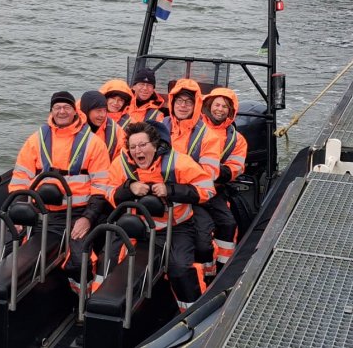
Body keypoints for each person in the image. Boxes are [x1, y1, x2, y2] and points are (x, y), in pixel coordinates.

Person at [103, 121, 215, 312]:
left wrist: (171, 189)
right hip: (137, 228)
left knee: (179, 269)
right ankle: (106, 312)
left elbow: (207, 190)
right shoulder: (121, 165)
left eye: (143, 145)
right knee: (110, 261)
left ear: (155, 145)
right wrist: (129, 187)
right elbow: (108, 192)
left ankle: (191, 312)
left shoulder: (180, 162)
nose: (138, 150)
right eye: (132, 147)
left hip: (177, 226)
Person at [9, 91, 113, 293]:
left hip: (78, 213)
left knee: (78, 259)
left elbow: (101, 187)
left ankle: (82, 297)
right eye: (57, 107)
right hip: (41, 210)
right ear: (51, 111)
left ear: (75, 111)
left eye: (67, 107)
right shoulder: (35, 140)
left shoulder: (93, 144)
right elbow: (20, 179)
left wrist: (88, 218)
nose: (62, 111)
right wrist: (19, 211)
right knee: (4, 247)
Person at [163, 78, 225, 277]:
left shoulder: (209, 137)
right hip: (158, 193)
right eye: (179, 101)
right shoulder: (158, 127)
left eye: (188, 102)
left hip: (194, 198)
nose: (183, 105)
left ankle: (207, 276)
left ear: (196, 104)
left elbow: (209, 174)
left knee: (202, 242)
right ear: (171, 103)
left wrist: (177, 185)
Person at [198, 87, 247, 276]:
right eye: (216, 104)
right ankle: (205, 271)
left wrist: (215, 172)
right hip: (191, 189)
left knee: (228, 223)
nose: (219, 109)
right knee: (202, 232)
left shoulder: (237, 139)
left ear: (231, 110)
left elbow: (237, 166)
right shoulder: (195, 128)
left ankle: (222, 270)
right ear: (208, 105)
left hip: (216, 189)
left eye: (224, 106)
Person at [79, 90, 126, 160]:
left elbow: (122, 157)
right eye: (98, 111)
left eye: (105, 110)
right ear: (86, 111)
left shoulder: (117, 132)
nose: (103, 115)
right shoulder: (71, 128)